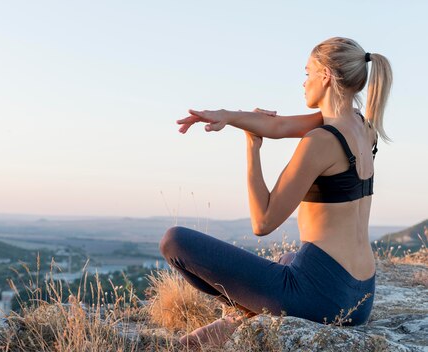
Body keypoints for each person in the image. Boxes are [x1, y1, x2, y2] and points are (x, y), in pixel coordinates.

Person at [159, 37, 392, 348]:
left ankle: (238, 315)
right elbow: (280, 126)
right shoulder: (362, 126)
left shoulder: (320, 141)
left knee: (174, 241)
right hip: (360, 297)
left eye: (308, 73)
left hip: (324, 298)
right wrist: (228, 116)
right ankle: (237, 320)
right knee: (287, 258)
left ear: (325, 76)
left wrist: (251, 147)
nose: (304, 82)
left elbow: (263, 222)